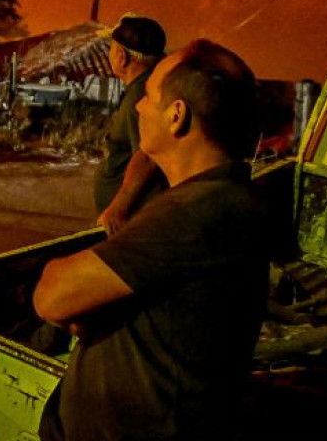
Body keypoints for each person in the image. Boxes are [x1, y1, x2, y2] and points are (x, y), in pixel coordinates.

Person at [33, 39, 269, 441]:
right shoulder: (221, 197)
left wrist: (81, 299)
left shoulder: (194, 214)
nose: (139, 106)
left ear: (177, 116)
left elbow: (52, 296)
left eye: (148, 95)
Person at [93, 13, 167, 234]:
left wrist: (119, 209)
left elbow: (148, 154)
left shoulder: (141, 95)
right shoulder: (148, 86)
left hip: (131, 222)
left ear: (121, 56)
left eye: (111, 49)